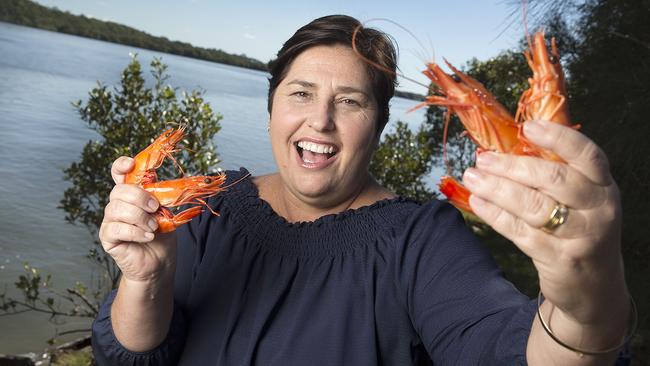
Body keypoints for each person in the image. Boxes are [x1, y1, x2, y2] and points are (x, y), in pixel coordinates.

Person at [92, 15, 633, 365]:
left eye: (350, 102)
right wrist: (145, 278)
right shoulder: (212, 206)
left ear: (377, 126)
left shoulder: (421, 240)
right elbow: (137, 352)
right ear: (271, 108)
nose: (320, 121)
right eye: (300, 94)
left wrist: (588, 307)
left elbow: (504, 349)